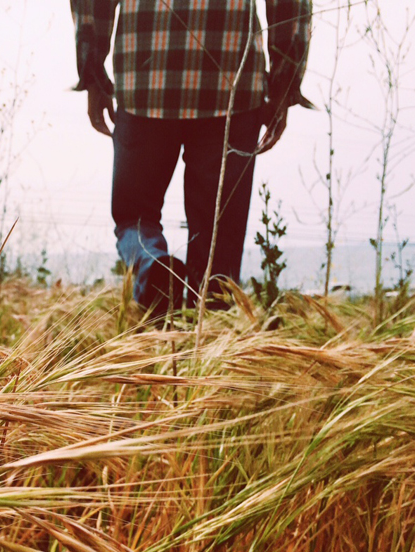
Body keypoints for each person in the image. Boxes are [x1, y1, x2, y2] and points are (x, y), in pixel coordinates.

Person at [70, 0, 313, 316]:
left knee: (135, 218)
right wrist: (284, 82)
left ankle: (151, 267)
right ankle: (210, 337)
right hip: (232, 83)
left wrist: (93, 74)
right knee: (218, 238)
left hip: (144, 76)